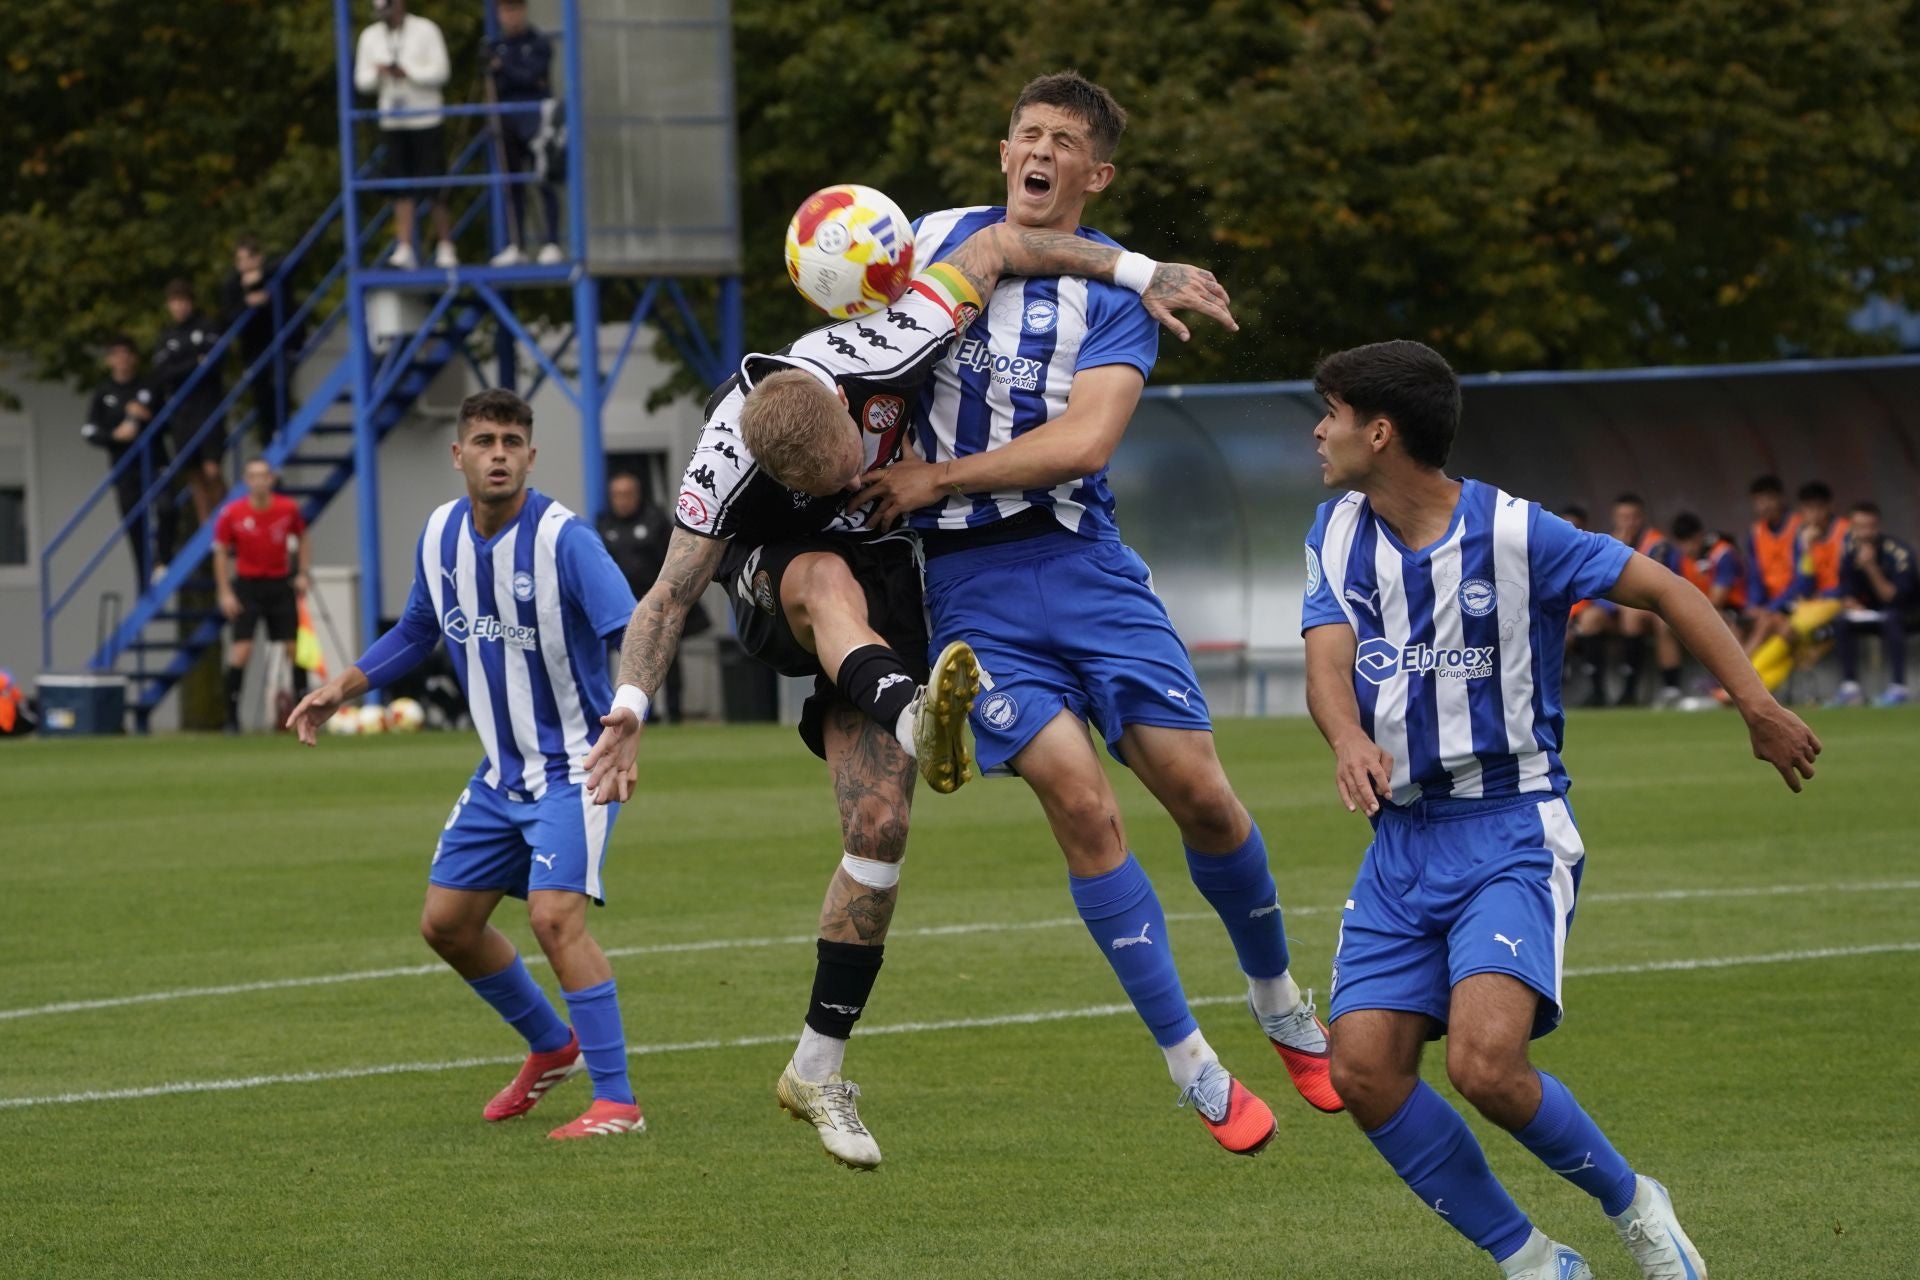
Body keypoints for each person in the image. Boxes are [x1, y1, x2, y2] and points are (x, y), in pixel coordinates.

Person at [583, 221, 1237, 1169]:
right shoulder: (721, 466)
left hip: (893, 564)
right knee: (817, 574)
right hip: (784, 586)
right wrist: (631, 714)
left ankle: (816, 1068)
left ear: (853, 410)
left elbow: (1008, 242)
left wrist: (1148, 270)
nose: (846, 476)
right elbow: (667, 599)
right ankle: (916, 709)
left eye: (852, 458)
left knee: (880, 828)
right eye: (823, 480)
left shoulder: (894, 338)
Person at [851, 71, 1336, 1156]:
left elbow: (1085, 443)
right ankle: (1193, 1064)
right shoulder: (932, 239)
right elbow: (856, 327)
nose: (1038, 149)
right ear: (1003, 151)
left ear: (1095, 173)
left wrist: (934, 475)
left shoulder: (1116, 298)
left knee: (1202, 795)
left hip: (1083, 564)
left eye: (1062, 140)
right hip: (970, 588)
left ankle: (1279, 999)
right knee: (1080, 798)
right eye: (1025, 132)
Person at [1301, 339, 1820, 1280]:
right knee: (1362, 1071)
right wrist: (1345, 736)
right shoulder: (1335, 530)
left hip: (1509, 827)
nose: (1317, 432)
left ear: (1379, 432)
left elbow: (1662, 588)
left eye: (1329, 415)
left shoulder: (1515, 532)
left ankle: (1636, 1205)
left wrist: (1755, 701)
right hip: (1401, 841)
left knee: (1484, 1065)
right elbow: (1328, 661)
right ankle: (1533, 1261)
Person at [286, 388, 642, 1140]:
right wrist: (341, 688)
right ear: (459, 455)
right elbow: (419, 629)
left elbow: (635, 628)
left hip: (576, 766)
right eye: (484, 441)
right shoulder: (442, 533)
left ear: (532, 456)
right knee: (446, 924)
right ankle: (552, 1047)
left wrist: (631, 723)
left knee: (554, 918)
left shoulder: (563, 541)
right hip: (499, 774)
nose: (500, 454)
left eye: (513, 441)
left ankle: (617, 1102)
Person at [597, 472, 707, 723]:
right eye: (617, 495)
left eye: (627, 494)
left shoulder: (655, 521)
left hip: (658, 606)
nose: (622, 501)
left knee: (665, 657)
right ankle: (632, 712)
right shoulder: (604, 525)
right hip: (620, 607)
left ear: (638, 495)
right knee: (623, 657)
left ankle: (674, 712)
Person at [354, 0, 457, 270]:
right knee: (400, 188)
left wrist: (408, 72)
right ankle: (405, 247)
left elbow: (441, 72)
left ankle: (446, 246)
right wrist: (380, 73)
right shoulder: (370, 36)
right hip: (393, 122)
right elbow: (361, 81)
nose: (385, 16)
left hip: (426, 119)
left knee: (435, 184)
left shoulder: (425, 30)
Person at [213, 459, 311, 733]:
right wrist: (225, 591)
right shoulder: (232, 513)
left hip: (280, 584)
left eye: (263, 476)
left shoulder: (287, 508)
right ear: (246, 480)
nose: (259, 481)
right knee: (242, 651)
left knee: (294, 648)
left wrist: (302, 572)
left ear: (271, 479)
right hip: (247, 586)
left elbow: (303, 538)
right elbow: (220, 551)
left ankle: (304, 711)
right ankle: (232, 718)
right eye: (253, 476)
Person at [1569, 494, 1677, 706]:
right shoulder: (1606, 541)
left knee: (1632, 616)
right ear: (1614, 518)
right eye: (1623, 517)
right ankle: (1597, 692)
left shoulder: (1657, 544)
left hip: (1646, 610)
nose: (1629, 522)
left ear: (1642, 517)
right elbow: (1595, 584)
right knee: (1589, 619)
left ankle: (1630, 691)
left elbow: (1655, 585)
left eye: (1633, 516)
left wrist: (1626, 551)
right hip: (1612, 611)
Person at [81, 335, 172, 584]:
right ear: (109, 360)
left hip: (155, 461)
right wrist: (115, 435)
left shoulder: (150, 386)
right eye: (116, 354)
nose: (121, 360)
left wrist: (147, 416)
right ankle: (144, 580)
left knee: (166, 506)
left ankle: (162, 560)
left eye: (126, 354)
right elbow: (89, 431)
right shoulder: (103, 393)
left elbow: (169, 423)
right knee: (134, 523)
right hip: (124, 468)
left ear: (134, 358)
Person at [1745, 481, 1850, 695]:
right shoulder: (1803, 536)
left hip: (1835, 601)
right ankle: (1750, 689)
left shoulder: (1845, 533)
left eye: (1817, 508)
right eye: (1807, 509)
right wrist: (1806, 548)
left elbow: (1852, 577)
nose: (1811, 515)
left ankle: (1742, 681)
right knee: (1789, 640)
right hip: (1812, 604)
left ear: (1828, 508)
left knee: (1786, 628)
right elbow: (1806, 581)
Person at [485, 0, 563, 266]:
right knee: (512, 182)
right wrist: (499, 69)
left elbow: (533, 78)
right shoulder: (497, 47)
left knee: (543, 179)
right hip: (507, 123)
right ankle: (516, 244)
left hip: (536, 119)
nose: (512, 16)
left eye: (516, 10)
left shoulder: (538, 42)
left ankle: (552, 241)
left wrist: (503, 67)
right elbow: (503, 84)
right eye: (507, 11)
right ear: (499, 14)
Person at [153, 279, 228, 523]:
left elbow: (213, 363)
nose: (179, 307)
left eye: (183, 301)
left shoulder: (207, 326)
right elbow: (163, 373)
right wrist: (194, 363)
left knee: (212, 469)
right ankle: (208, 527)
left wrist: (182, 366)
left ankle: (225, 516)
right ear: (168, 306)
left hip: (208, 407)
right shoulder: (166, 336)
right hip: (181, 413)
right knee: (193, 473)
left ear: (191, 303)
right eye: (175, 302)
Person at [1829, 501, 1916, 707]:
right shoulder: (1849, 551)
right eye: (1859, 527)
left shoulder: (1899, 553)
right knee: (1841, 621)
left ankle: (1898, 688)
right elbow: (1845, 590)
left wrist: (1870, 567)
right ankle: (1850, 688)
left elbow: (1891, 597)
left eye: (1870, 527)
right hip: (1871, 613)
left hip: (1906, 613)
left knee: (1892, 618)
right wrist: (1850, 602)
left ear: (1878, 527)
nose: (1865, 533)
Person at [221, 235, 305, 445]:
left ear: (260, 258)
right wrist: (247, 303)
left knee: (280, 384)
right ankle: (269, 439)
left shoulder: (274, 272)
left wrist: (261, 278)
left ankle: (282, 431)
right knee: (261, 394)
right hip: (254, 347)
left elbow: (294, 259)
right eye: (240, 260)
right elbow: (228, 317)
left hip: (283, 341)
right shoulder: (232, 284)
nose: (245, 265)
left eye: (249, 258)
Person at [1739, 474, 1800, 654]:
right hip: (1768, 604)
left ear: (1780, 498)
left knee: (1766, 622)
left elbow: (1802, 579)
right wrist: (1754, 605)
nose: (1764, 505)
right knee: (1739, 623)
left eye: (1768, 499)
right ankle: (1724, 674)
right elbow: (1755, 575)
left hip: (1793, 601)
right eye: (1758, 501)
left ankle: (1738, 673)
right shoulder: (1756, 532)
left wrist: (1771, 607)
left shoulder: (1799, 527)